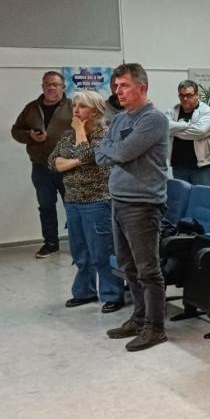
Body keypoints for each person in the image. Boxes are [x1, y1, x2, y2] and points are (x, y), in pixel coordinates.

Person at [95, 63, 170, 352]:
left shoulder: (154, 120)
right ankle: (139, 318)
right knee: (128, 267)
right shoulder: (119, 120)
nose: (118, 91)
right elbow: (102, 154)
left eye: (124, 86)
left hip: (143, 204)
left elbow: (123, 152)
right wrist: (114, 149)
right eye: (116, 87)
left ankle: (155, 327)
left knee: (148, 269)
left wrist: (114, 150)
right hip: (119, 200)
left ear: (142, 87)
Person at [47, 90, 125, 313]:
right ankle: (85, 292)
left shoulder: (106, 135)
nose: (75, 110)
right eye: (75, 105)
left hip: (97, 202)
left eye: (81, 106)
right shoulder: (67, 136)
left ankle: (112, 294)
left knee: (102, 252)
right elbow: (53, 162)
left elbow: (90, 157)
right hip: (72, 201)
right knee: (80, 252)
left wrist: (80, 132)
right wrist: (76, 161)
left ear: (94, 111)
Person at [11, 71, 73, 258]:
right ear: (42, 87)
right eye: (47, 84)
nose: (51, 87)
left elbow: (88, 129)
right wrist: (29, 135)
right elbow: (15, 131)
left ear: (63, 87)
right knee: (46, 206)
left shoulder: (73, 106)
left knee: (74, 205)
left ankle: (79, 243)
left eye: (55, 84)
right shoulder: (31, 108)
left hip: (67, 167)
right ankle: (51, 243)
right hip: (40, 167)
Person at [165, 80, 210, 186]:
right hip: (178, 166)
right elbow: (165, 127)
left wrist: (174, 130)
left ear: (197, 95)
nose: (185, 99)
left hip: (201, 168)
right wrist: (184, 125)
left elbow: (200, 132)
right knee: (182, 200)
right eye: (182, 95)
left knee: (202, 200)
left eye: (189, 95)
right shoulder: (172, 111)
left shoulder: (207, 111)